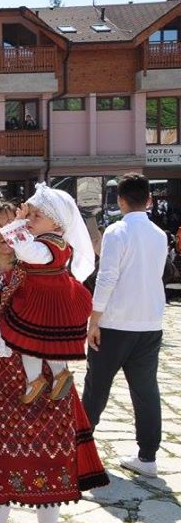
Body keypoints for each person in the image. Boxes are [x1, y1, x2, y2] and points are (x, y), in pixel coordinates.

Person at [0, 201, 107, 523]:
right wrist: (12, 334)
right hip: (0, 386)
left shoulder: (42, 266)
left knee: (51, 460)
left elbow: (68, 307)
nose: (7, 235)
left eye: (13, 225)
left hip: (49, 382)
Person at [83, 174, 167, 477]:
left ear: (120, 200)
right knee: (146, 391)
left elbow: (107, 277)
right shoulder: (160, 235)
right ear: (149, 199)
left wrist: (95, 317)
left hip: (116, 322)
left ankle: (79, 447)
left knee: (96, 387)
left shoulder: (117, 231)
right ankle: (148, 457)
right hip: (149, 322)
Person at [0, 184, 94, 404]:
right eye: (29, 214)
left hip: (41, 299)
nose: (30, 219)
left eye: (36, 215)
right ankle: (58, 375)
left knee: (28, 343)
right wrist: (23, 222)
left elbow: (25, 251)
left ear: (56, 222)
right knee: (49, 343)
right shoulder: (57, 243)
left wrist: (18, 223)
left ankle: (36, 380)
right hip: (50, 296)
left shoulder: (48, 245)